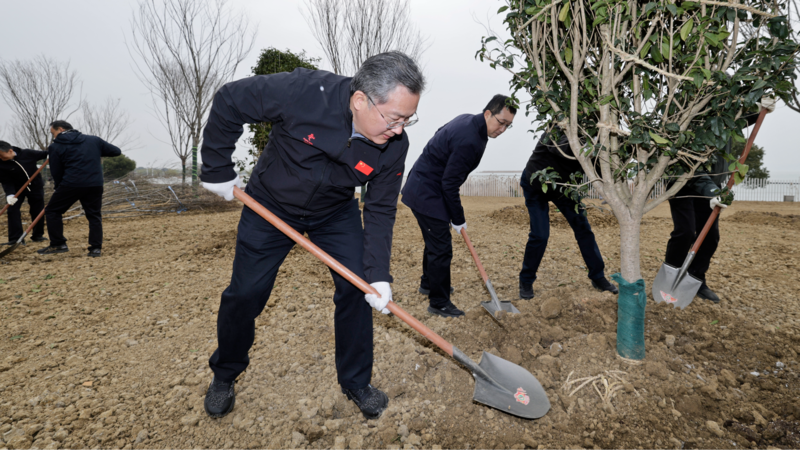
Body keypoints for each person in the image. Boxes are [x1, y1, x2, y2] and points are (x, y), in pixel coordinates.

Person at [198, 52, 424, 420]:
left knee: (358, 288)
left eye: (408, 119)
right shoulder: (305, 91)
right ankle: (225, 374)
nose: (399, 130)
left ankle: (356, 382)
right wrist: (217, 166)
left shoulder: (394, 146)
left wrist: (379, 274)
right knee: (245, 293)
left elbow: (381, 210)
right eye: (394, 118)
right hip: (269, 206)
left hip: (334, 212)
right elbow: (229, 100)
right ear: (360, 100)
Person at [400, 95, 516, 318]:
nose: (502, 129)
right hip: (426, 191)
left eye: (508, 126)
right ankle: (439, 302)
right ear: (488, 114)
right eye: (500, 122)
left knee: (435, 238)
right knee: (441, 247)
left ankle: (428, 283)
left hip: (427, 185)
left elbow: (439, 133)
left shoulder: (468, 121)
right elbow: (449, 183)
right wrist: (458, 217)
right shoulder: (471, 139)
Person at [663, 98, 775, 303]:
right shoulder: (693, 111)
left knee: (710, 237)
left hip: (710, 184)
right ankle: (670, 279)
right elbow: (690, 164)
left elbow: (735, 118)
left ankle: (695, 279)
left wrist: (760, 109)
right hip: (682, 182)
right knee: (685, 232)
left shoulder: (725, 112)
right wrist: (713, 190)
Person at [518, 127, 619, 299]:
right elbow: (562, 147)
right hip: (536, 183)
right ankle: (526, 280)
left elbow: (599, 169)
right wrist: (590, 147)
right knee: (540, 235)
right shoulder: (558, 125)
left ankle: (598, 276)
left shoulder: (592, 137)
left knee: (583, 229)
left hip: (564, 189)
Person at [36, 120, 121, 257]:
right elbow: (116, 151)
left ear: (61, 129)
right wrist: (94, 152)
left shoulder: (55, 146)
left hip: (71, 183)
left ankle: (58, 244)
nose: (54, 137)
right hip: (95, 183)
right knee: (94, 215)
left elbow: (56, 171)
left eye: (53, 133)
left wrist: (58, 187)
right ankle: (95, 248)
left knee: (52, 211)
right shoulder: (93, 140)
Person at [0, 141, 48, 244]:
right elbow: (5, 180)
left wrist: (56, 149)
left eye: (1, 155)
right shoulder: (1, 164)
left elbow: (45, 154)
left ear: (10, 151)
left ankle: (38, 235)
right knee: (12, 210)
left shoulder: (27, 154)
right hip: (17, 189)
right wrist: (10, 194)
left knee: (37, 210)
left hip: (35, 187)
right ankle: (15, 239)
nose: (0, 158)